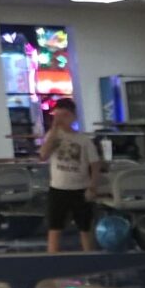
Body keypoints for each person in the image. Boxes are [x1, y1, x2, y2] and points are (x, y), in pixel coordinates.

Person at [40, 96, 102, 253]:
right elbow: (43, 155)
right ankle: (53, 260)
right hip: (58, 189)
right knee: (54, 228)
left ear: (73, 116)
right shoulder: (53, 136)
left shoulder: (83, 140)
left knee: (85, 228)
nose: (62, 119)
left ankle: (89, 258)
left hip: (80, 189)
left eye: (65, 115)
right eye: (58, 115)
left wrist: (92, 187)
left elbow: (95, 165)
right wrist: (54, 130)